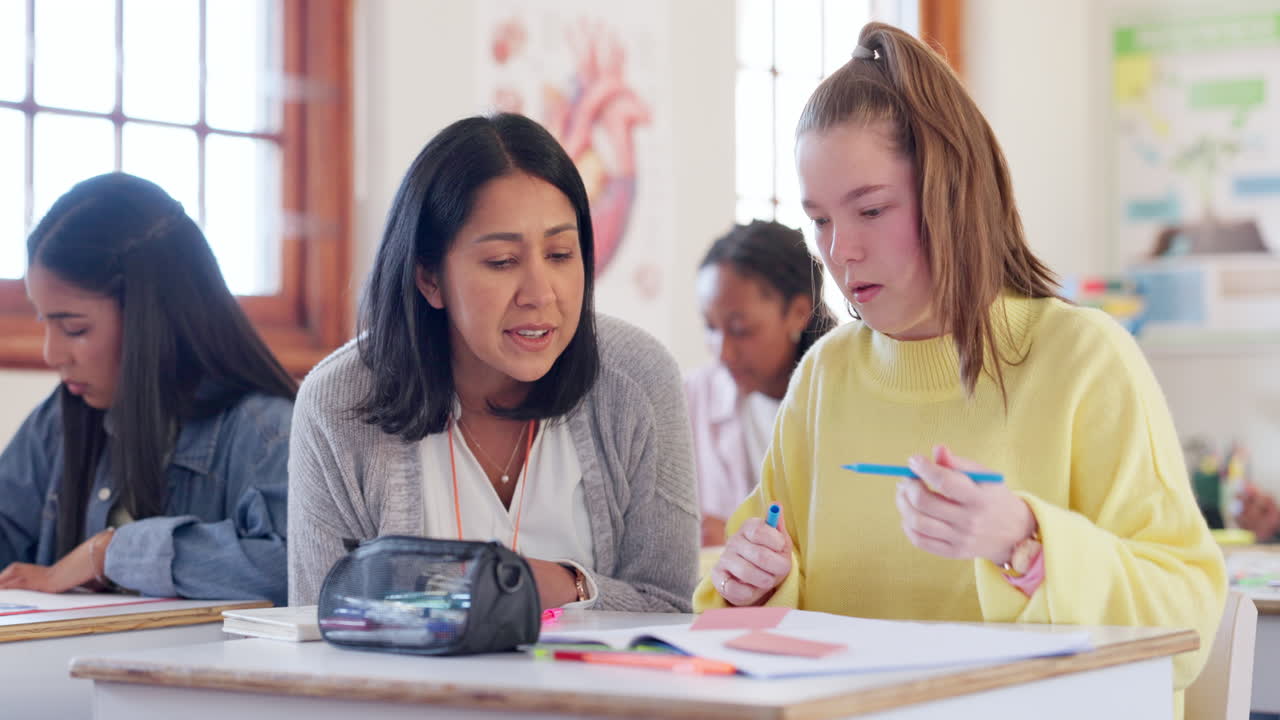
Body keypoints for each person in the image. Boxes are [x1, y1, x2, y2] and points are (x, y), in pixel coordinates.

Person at [695, 22, 1224, 716]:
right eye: (819, 220)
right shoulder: (825, 376)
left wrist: (1026, 545)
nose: (840, 250)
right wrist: (752, 584)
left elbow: (1188, 620)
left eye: (871, 209)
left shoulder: (1084, 358)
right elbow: (743, 619)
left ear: (952, 194)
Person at [288, 113, 698, 611]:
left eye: (560, 254)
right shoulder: (339, 403)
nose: (540, 294)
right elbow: (317, 623)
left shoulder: (637, 378)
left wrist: (563, 584)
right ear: (430, 279)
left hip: (594, 669)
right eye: (502, 261)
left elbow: (671, 607)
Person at [0, 173, 296, 605]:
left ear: (152, 318)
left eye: (74, 328)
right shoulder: (59, 419)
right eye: (45, 322)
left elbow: (297, 570)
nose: (51, 354)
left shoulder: (268, 433)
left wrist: (111, 553)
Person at [686, 221, 837, 546]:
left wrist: (732, 534)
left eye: (740, 330)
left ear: (798, 312)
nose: (723, 352)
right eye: (710, 327)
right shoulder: (690, 399)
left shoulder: (841, 401)